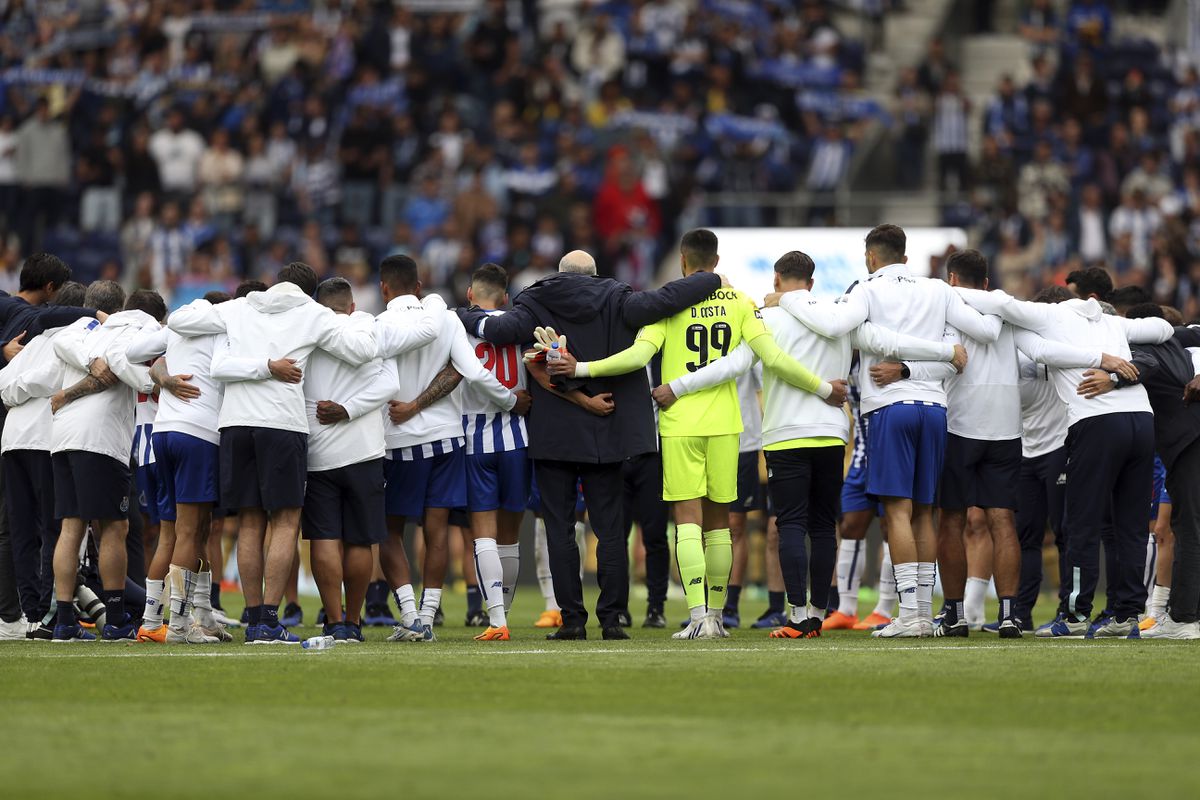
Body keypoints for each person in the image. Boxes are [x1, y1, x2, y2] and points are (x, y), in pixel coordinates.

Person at [551, 231, 847, 640]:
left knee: (686, 521)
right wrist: (825, 389)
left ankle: (697, 618)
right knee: (720, 524)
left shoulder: (670, 303)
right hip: (727, 424)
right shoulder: (741, 302)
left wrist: (580, 369)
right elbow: (774, 358)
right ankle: (717, 616)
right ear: (717, 260)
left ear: (684, 262)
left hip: (680, 423)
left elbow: (637, 357)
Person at [664, 250, 961, 638]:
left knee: (789, 524)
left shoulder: (766, 318)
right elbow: (884, 339)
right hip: (831, 433)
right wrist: (945, 352)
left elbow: (733, 366)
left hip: (785, 435)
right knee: (824, 526)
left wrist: (678, 386)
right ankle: (820, 612)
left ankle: (797, 614)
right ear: (812, 282)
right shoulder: (839, 317)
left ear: (776, 281)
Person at [457, 248, 721, 640]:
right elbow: (668, 298)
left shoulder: (535, 299)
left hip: (554, 433)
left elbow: (497, 331)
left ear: (560, 274)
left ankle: (573, 620)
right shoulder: (620, 298)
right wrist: (712, 279)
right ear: (594, 274)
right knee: (610, 530)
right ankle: (612, 620)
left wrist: (460, 315)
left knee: (561, 530)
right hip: (608, 429)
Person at [766, 225, 1001, 638]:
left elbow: (835, 325)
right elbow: (985, 332)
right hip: (935, 408)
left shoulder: (867, 288)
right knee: (926, 511)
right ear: (906, 257)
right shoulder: (939, 290)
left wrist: (785, 298)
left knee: (898, 511)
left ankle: (910, 614)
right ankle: (924, 615)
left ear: (870, 258)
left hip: (891, 408)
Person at [167, 262, 380, 644]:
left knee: (250, 522)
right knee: (285, 522)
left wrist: (252, 360)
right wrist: (359, 320)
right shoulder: (314, 313)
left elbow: (179, 320)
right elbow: (363, 351)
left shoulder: (239, 307)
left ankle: (252, 619)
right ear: (309, 291)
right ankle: (268, 619)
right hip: (282, 423)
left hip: (234, 422)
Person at [953, 286, 1172, 638]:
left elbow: (1000, 302)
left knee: (1082, 525)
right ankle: (1127, 613)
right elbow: (1162, 329)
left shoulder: (1051, 315)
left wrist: (949, 291)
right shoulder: (1111, 321)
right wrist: (1109, 355)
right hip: (1142, 420)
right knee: (1131, 526)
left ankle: (1074, 614)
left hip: (1096, 423)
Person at [375, 255, 525, 643]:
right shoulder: (445, 319)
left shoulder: (379, 326)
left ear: (383, 288)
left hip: (399, 441)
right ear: (419, 287)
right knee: (437, 531)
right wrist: (509, 401)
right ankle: (427, 614)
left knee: (390, 532)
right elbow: (472, 371)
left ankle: (410, 615)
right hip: (447, 438)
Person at [302, 278, 420, 644]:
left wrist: (338, 409)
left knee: (324, 537)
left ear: (319, 306)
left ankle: (334, 621)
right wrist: (350, 409)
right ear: (351, 306)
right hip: (365, 450)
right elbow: (389, 385)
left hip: (318, 450)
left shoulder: (308, 331)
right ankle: (353, 623)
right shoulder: (368, 325)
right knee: (359, 541)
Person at [1077, 303, 1200, 639]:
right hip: (1187, 438)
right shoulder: (1179, 336)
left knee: (1187, 527)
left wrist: (1113, 378)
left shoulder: (1138, 344)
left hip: (1188, 439)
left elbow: (1145, 363)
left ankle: (1183, 619)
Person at [49, 283, 164, 642]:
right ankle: (115, 619)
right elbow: (121, 368)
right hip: (100, 441)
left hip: (63, 437)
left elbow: (60, 342)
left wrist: (72, 387)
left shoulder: (83, 331)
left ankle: (65, 619)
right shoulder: (139, 330)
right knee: (114, 528)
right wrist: (158, 381)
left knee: (72, 527)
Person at [0, 280, 88, 641]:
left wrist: (18, 390)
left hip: (14, 439)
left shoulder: (30, 343)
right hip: (42, 441)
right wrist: (28, 389)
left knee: (23, 530)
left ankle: (30, 613)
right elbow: (50, 379)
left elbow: (7, 386)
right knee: (51, 529)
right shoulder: (68, 342)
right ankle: (45, 613)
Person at [459, 264, 531, 641]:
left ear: (471, 295)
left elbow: (463, 373)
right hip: (518, 440)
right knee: (510, 536)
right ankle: (504, 614)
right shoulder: (521, 325)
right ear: (505, 297)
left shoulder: (460, 325)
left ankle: (497, 619)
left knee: (482, 533)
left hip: (474, 438)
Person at [1014, 286, 1074, 632]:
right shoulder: (1020, 349)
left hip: (1060, 446)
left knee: (1066, 532)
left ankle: (1068, 612)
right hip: (1025, 451)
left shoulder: (1071, 347)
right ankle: (1021, 613)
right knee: (1026, 535)